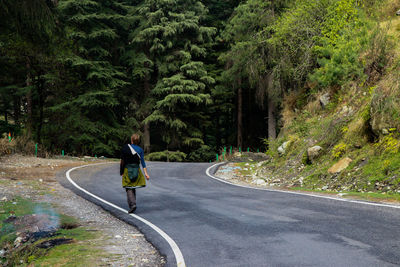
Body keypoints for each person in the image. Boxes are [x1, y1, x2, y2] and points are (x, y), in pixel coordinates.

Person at [120, 134, 150, 213]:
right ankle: (133, 203)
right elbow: (143, 162)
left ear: (132, 140)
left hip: (127, 169)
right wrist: (146, 173)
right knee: (134, 186)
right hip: (137, 169)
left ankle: (132, 204)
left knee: (128, 187)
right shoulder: (140, 150)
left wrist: (121, 171)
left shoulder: (126, 148)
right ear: (138, 141)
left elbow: (122, 161)